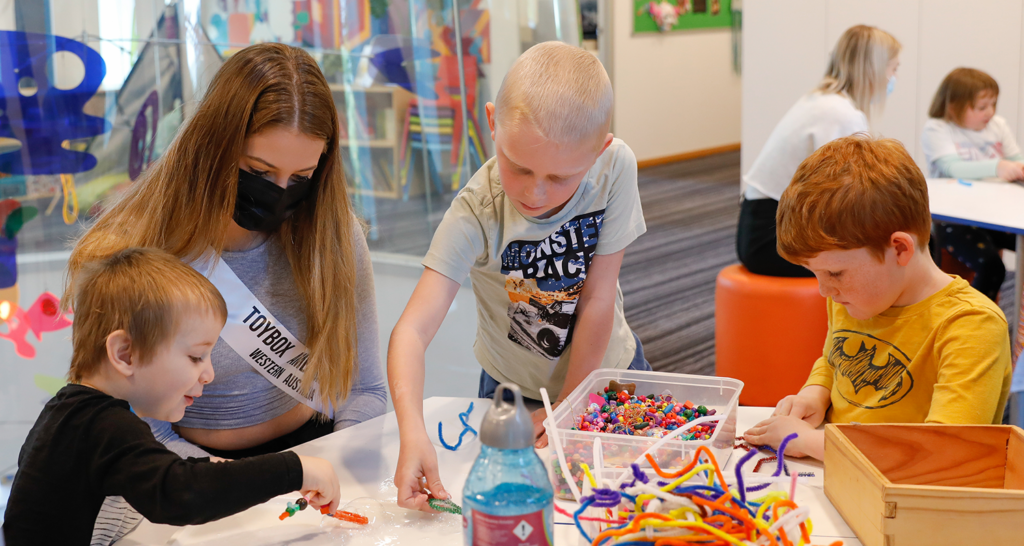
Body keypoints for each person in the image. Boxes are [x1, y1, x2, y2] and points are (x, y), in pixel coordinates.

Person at [65, 43, 386, 460]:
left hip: (314, 455)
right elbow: (138, 429)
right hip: (184, 467)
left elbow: (365, 390)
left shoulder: (332, 235)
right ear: (215, 145)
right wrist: (233, 483)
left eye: (301, 177)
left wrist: (336, 463)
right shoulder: (133, 247)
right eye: (259, 171)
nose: (279, 192)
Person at [387, 41, 648, 511]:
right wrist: (412, 431)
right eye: (519, 167)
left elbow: (598, 299)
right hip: (513, 389)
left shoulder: (615, 167)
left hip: (605, 374)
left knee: (623, 505)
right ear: (492, 122)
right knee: (518, 510)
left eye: (562, 177)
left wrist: (568, 407)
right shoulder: (476, 212)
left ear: (599, 150)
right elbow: (412, 331)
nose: (535, 192)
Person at [2, 248, 341, 545]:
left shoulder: (72, 413)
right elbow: (181, 492)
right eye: (196, 357)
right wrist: (293, 469)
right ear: (125, 354)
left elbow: (175, 472)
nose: (209, 374)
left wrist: (254, 477)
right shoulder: (105, 427)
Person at [743, 136, 1012, 460]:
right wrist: (816, 393)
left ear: (899, 248)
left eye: (835, 273)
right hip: (839, 472)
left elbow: (943, 453)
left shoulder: (972, 326)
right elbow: (834, 359)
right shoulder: (856, 295)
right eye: (815, 273)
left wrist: (811, 443)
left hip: (911, 488)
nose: (824, 290)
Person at [737, 25, 900, 277]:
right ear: (873, 69)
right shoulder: (840, 114)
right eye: (893, 69)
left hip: (762, 230)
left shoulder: (823, 102)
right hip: (771, 241)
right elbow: (848, 196)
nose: (894, 78)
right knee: (889, 258)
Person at [921, 67, 1023, 301]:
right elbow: (953, 168)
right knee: (992, 267)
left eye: (993, 104)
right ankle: (974, 317)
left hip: (995, 216)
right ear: (954, 106)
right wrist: (998, 166)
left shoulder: (997, 125)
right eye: (981, 107)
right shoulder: (937, 129)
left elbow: (1016, 160)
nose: (990, 112)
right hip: (954, 222)